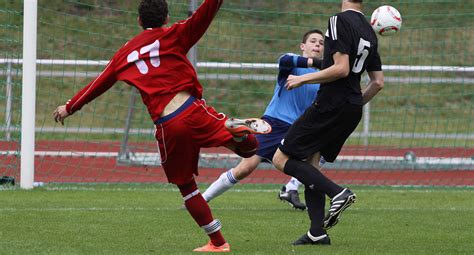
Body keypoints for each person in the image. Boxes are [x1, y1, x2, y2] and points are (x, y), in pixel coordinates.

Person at [53, 0, 271, 252]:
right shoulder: (175, 32)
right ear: (166, 17)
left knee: (187, 186)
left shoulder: (125, 53)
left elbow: (99, 84)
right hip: (193, 109)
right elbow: (204, 14)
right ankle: (239, 131)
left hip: (169, 124)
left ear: (138, 21)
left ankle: (218, 243)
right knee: (248, 152)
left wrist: (69, 107)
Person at [273, 0, 384, 245]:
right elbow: (377, 82)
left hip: (331, 102)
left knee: (280, 159)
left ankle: (338, 193)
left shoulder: (338, 20)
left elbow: (341, 69)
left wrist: (304, 80)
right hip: (352, 106)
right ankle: (317, 232)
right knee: (311, 163)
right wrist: (352, 104)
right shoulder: (369, 31)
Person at [201, 29, 326, 211]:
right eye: (313, 41)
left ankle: (290, 188)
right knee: (245, 168)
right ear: (302, 46)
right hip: (273, 125)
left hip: (297, 129)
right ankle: (202, 199)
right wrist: (317, 63)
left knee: (319, 154)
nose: (317, 45)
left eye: (321, 43)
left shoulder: (322, 78)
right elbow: (283, 60)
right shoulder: (292, 63)